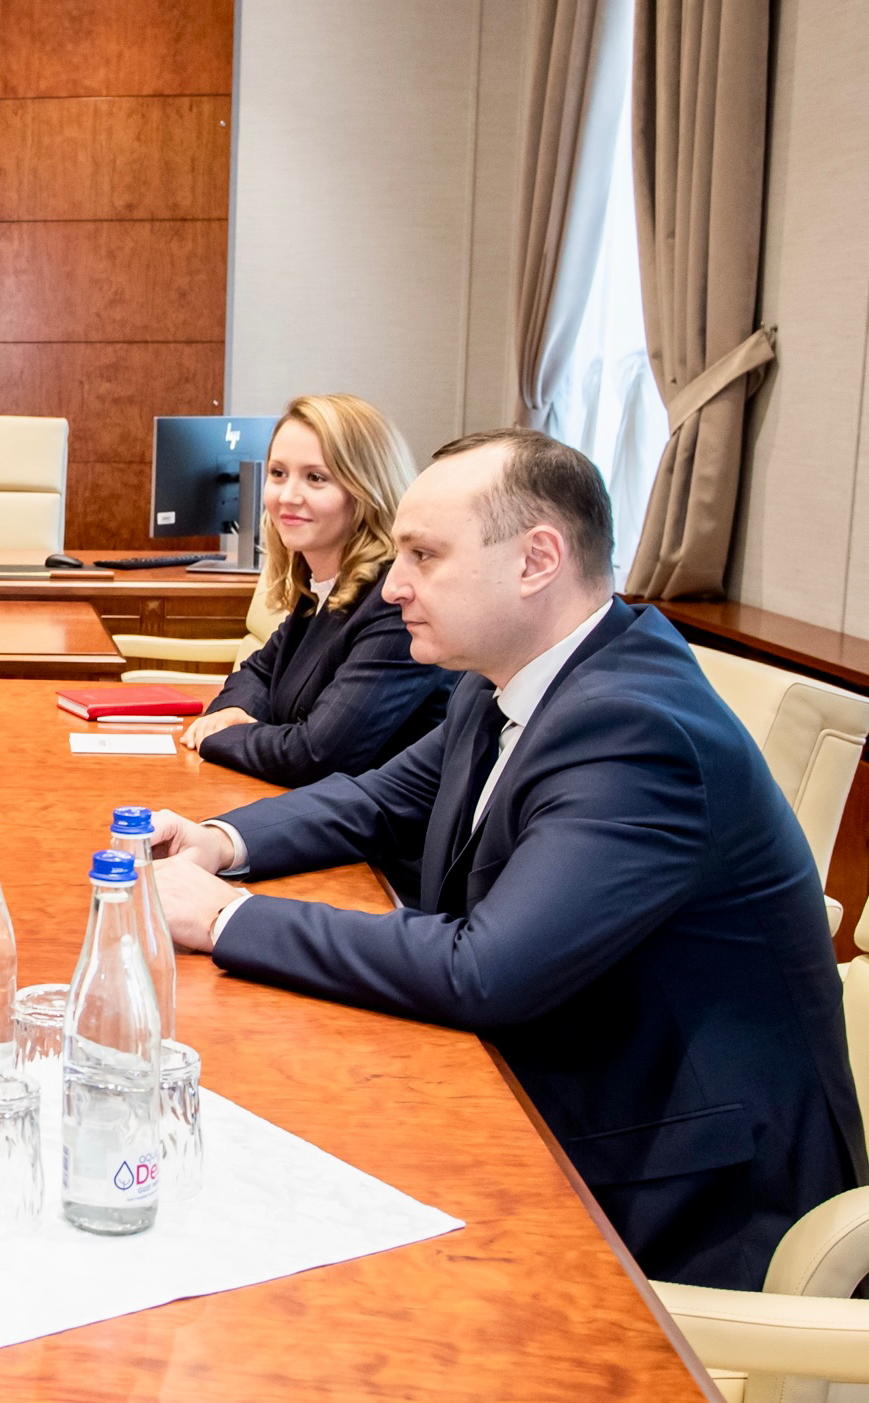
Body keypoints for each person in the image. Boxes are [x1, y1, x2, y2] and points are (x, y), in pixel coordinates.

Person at [152, 428, 864, 1290]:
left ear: (536, 561)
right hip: (564, 1089)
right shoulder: (507, 679)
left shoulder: (635, 729)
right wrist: (219, 840)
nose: (394, 586)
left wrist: (225, 917)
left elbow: (484, 968)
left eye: (424, 556)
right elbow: (377, 799)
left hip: (683, 1193)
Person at [183, 393, 455, 788]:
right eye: (278, 473)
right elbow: (258, 672)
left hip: (381, 827)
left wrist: (220, 735)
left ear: (365, 489)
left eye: (316, 478)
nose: (287, 496)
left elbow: (316, 756)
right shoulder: (326, 586)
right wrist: (232, 711)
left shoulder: (397, 602)